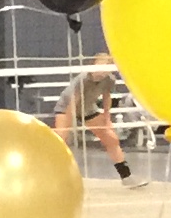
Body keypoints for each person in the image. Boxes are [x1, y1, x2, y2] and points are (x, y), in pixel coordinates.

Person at [56, 53, 137, 185]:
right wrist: (70, 125)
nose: (102, 71)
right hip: (66, 108)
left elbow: (106, 96)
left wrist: (107, 117)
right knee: (61, 140)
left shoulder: (109, 79)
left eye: (106, 68)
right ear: (93, 64)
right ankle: (58, 176)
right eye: (100, 66)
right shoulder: (83, 79)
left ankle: (126, 176)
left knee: (111, 138)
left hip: (87, 109)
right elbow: (73, 102)